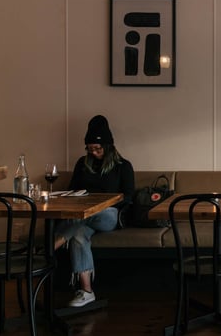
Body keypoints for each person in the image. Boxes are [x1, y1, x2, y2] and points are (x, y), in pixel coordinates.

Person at [54, 115, 135, 307]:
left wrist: (105, 203)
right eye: (90, 149)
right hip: (83, 215)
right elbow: (72, 189)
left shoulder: (123, 166)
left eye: (98, 149)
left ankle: (52, 245)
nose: (94, 152)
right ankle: (86, 291)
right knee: (79, 233)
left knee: (86, 216)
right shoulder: (82, 163)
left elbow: (129, 196)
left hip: (109, 215)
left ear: (108, 146)